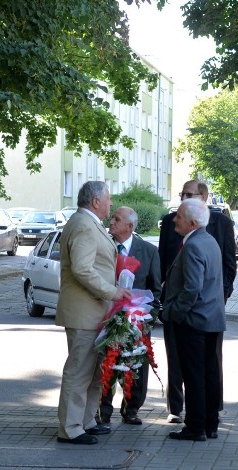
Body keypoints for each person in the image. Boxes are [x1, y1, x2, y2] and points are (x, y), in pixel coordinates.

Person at [55, 181, 130, 445]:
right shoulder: (83, 225)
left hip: (94, 312)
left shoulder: (88, 223)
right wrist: (112, 291)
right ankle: (71, 428)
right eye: (108, 200)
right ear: (96, 201)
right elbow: (83, 269)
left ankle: (86, 421)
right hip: (83, 312)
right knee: (79, 371)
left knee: (94, 371)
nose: (110, 204)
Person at [158, 180, 235, 423]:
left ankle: (197, 424)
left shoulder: (206, 235)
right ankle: (203, 420)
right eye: (182, 195)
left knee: (197, 371)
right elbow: (164, 265)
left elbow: (196, 285)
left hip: (195, 315)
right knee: (194, 367)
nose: (174, 219)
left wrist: (176, 312)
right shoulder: (201, 237)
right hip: (202, 313)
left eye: (189, 195)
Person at [96, 206, 161, 427]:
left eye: (117, 219)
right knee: (106, 363)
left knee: (136, 364)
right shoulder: (103, 247)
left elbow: (156, 289)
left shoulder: (149, 251)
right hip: (106, 318)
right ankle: (102, 410)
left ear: (130, 226)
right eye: (112, 218)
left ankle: (131, 409)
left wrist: (146, 316)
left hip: (136, 321)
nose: (111, 222)